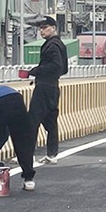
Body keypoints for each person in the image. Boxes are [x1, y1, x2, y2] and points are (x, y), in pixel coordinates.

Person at [26, 14, 68, 164]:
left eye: (44, 28)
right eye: (40, 28)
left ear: (53, 28)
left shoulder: (51, 45)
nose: (41, 31)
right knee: (50, 122)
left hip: (44, 87)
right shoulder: (60, 44)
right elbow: (64, 69)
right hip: (53, 87)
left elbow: (56, 66)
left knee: (33, 121)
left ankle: (27, 155)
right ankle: (52, 154)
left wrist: (36, 71)